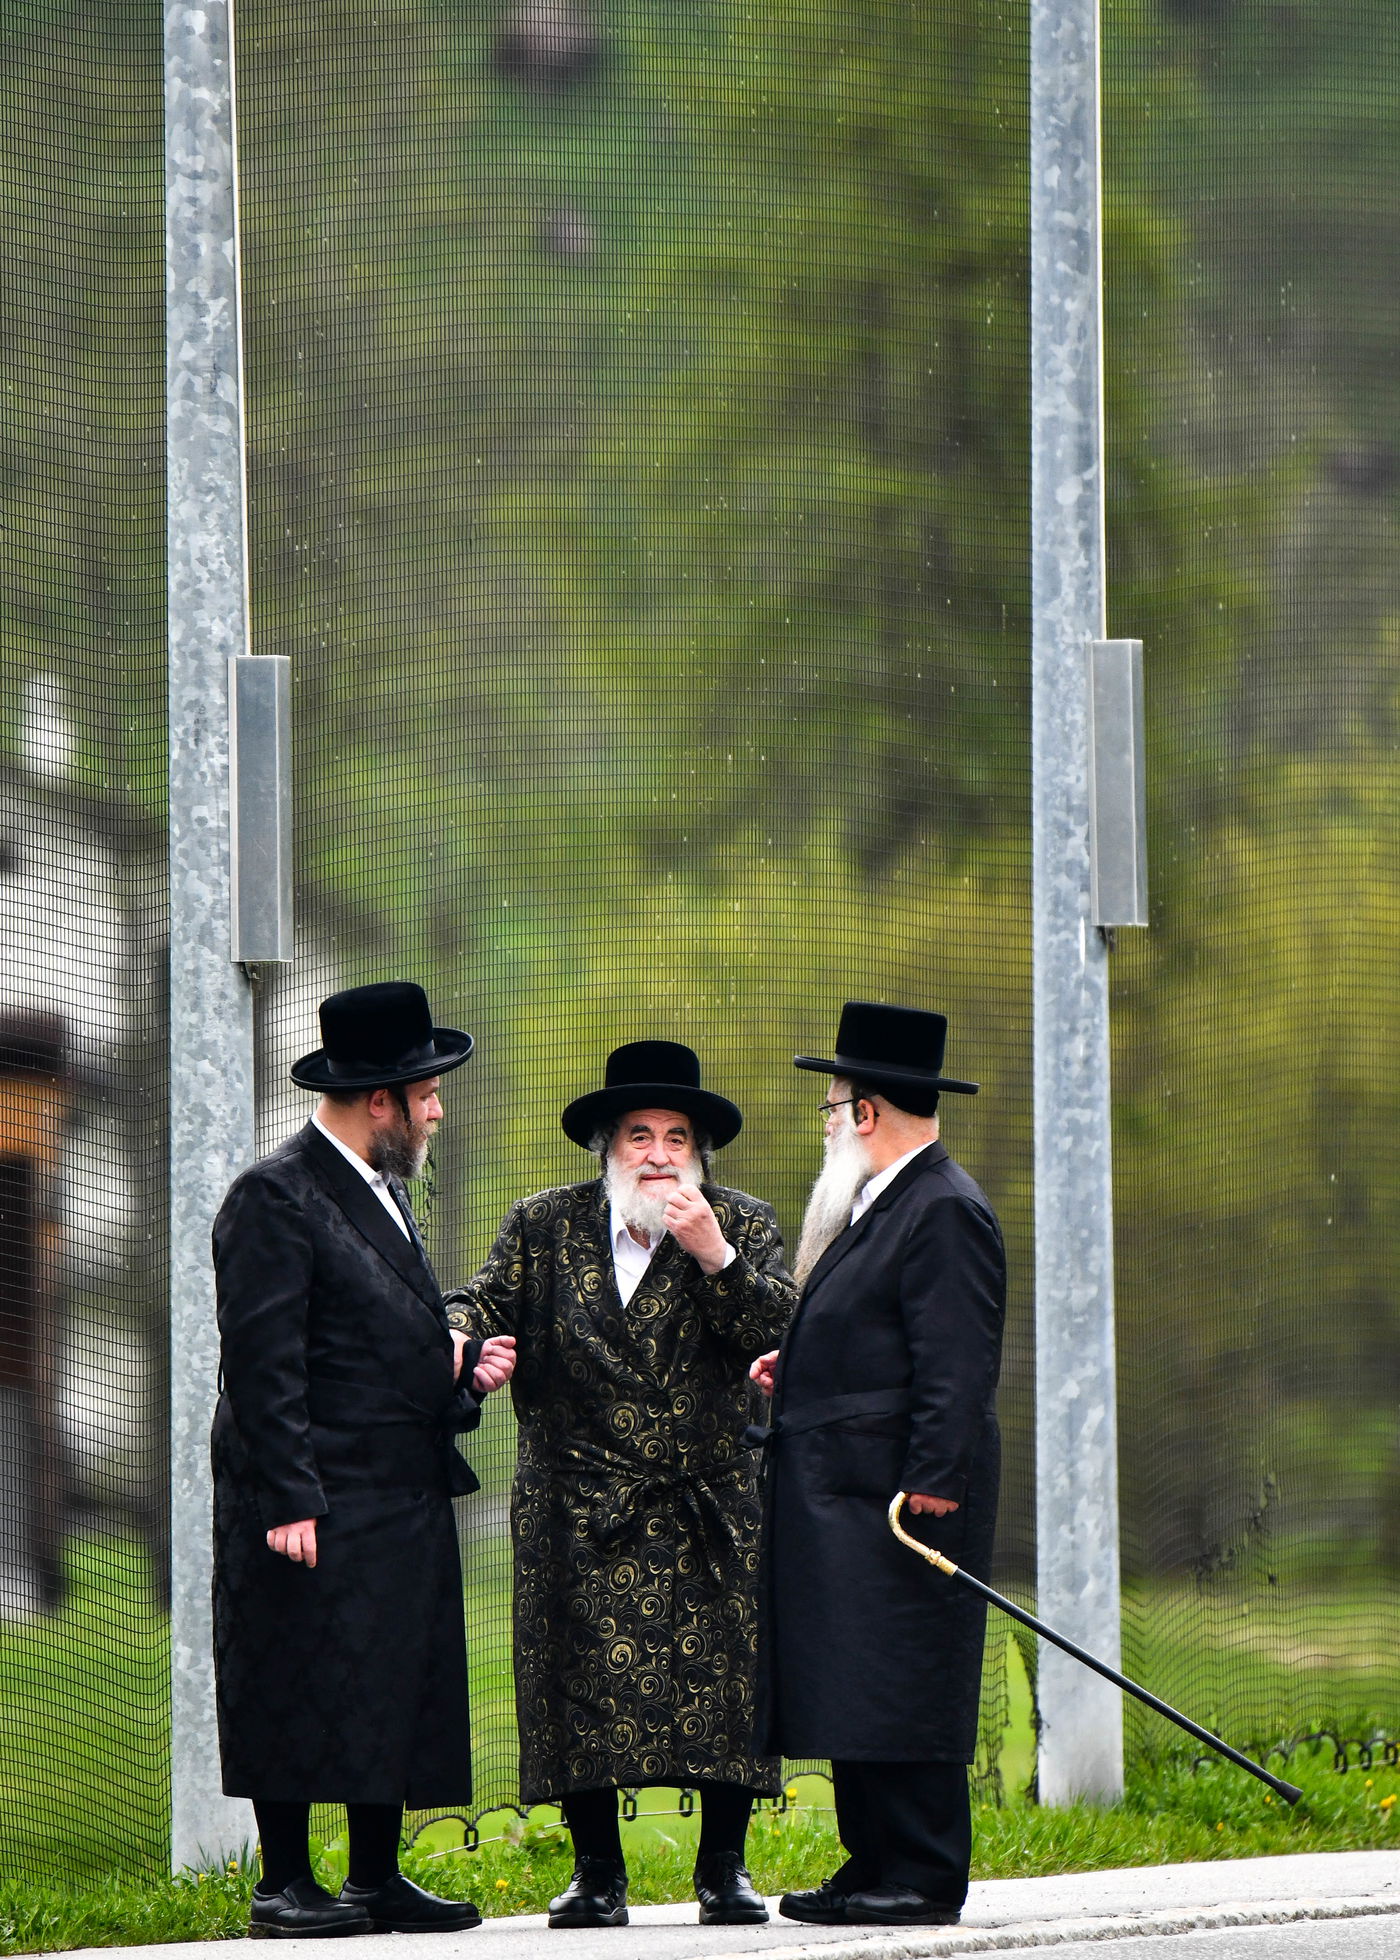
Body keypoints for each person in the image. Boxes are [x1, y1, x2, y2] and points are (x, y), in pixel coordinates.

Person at [447, 1040, 797, 1930]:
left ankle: (725, 1867)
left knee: (724, 1680)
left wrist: (716, 1257)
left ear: (699, 1152)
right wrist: (454, 1334)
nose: (659, 1154)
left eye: (677, 1137)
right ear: (607, 1147)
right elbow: (482, 1301)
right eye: (640, 1134)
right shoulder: (545, 1224)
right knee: (580, 1682)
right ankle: (596, 1872)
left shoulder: (743, 1224)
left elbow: (785, 1335)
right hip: (580, 1503)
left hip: (709, 1500)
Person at [211, 981, 516, 1938]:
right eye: (428, 1094)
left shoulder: (381, 1189)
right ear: (381, 1100)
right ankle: (284, 1885)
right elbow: (263, 1362)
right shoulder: (275, 1194)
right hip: (314, 1493)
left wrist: (458, 1375)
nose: (437, 1112)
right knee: (293, 1672)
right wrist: (288, 1497)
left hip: (394, 1490)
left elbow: (374, 1342)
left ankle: (375, 1878)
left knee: (387, 1680)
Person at [750, 1000, 1005, 1930]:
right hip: (847, 1491)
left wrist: (934, 1480)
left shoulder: (943, 1208)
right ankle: (871, 1864)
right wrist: (798, 1367)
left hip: (903, 1498)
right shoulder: (883, 1205)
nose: (826, 1122)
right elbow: (880, 1337)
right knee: (854, 1678)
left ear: (866, 1112)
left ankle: (923, 1873)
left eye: (832, 1105)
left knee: (905, 1675)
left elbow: (956, 1363)